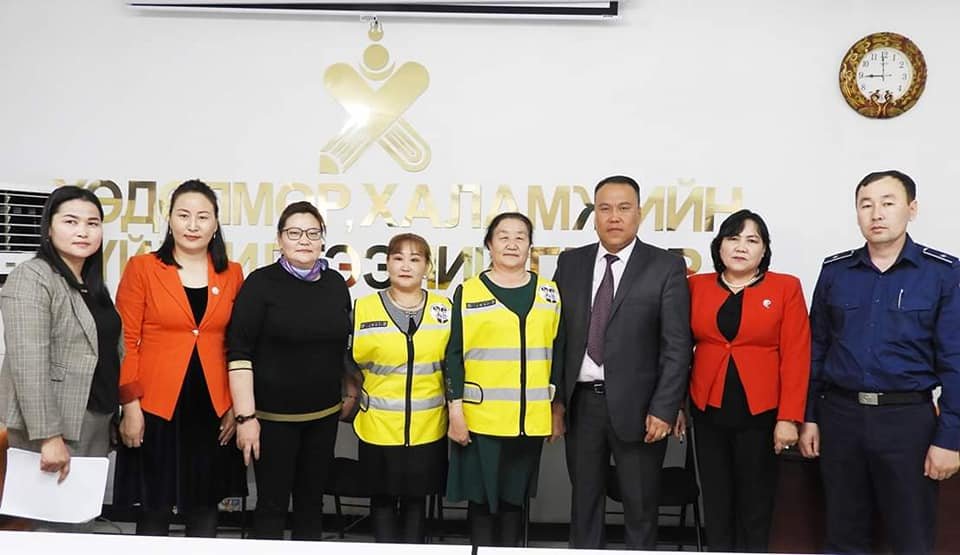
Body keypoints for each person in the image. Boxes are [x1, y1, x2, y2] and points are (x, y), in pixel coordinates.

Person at [799, 170, 960, 554]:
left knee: (910, 537)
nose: (877, 214)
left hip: (907, 421)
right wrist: (810, 417)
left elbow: (955, 360)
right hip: (841, 417)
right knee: (843, 536)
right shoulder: (836, 271)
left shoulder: (943, 273)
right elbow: (817, 348)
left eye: (888, 203)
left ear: (911, 209)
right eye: (866, 204)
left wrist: (950, 439)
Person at [552, 175, 692, 549]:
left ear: (639, 214)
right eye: (605, 208)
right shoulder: (570, 263)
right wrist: (557, 402)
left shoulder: (665, 266)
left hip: (642, 409)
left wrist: (664, 408)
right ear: (595, 215)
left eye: (624, 208)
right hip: (583, 406)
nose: (614, 217)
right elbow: (558, 338)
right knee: (584, 506)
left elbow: (677, 346)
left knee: (640, 508)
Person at [114, 179, 246, 537]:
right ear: (169, 219)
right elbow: (125, 341)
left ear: (215, 223)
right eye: (183, 215)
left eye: (203, 217)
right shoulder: (143, 267)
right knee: (154, 508)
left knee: (205, 507)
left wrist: (234, 406)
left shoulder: (232, 273)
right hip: (156, 406)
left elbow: (237, 345)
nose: (193, 225)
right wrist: (130, 405)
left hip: (212, 407)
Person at [678, 209, 810, 552]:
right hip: (707, 411)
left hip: (761, 414)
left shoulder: (786, 287)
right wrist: (677, 405)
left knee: (755, 505)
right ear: (719, 245)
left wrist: (789, 417)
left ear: (764, 250)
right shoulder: (695, 286)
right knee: (716, 503)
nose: (741, 247)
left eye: (752, 240)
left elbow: (797, 355)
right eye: (733, 238)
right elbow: (677, 349)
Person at [227, 201, 352, 540]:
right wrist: (245, 418)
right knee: (272, 506)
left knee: (312, 505)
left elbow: (340, 344)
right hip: (271, 420)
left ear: (323, 239)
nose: (304, 240)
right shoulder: (260, 284)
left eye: (313, 233)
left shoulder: (335, 283)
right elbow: (239, 352)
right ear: (280, 239)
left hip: (323, 417)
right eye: (294, 233)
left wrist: (351, 390)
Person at [445, 212, 562, 547]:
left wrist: (557, 410)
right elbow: (453, 355)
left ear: (530, 245)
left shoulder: (550, 293)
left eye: (520, 237)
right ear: (489, 244)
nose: (512, 244)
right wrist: (455, 412)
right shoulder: (468, 292)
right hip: (479, 421)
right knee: (481, 503)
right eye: (503, 236)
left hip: (529, 421)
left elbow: (560, 353)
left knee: (514, 502)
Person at [0, 186, 120, 487]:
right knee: (43, 515)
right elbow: (28, 363)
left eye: (92, 223)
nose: (83, 231)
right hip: (52, 428)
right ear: (49, 229)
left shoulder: (91, 285)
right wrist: (48, 436)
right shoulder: (32, 277)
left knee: (82, 514)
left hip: (95, 420)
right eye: (70, 221)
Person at [349, 233, 450, 543]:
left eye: (415, 259)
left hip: (428, 427)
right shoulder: (363, 308)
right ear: (387, 264)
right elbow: (345, 362)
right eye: (398, 258)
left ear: (427, 267)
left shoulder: (445, 309)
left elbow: (455, 364)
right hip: (377, 427)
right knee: (381, 500)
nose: (406, 266)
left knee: (416, 502)